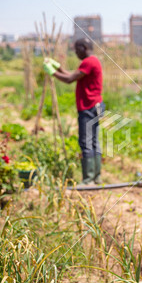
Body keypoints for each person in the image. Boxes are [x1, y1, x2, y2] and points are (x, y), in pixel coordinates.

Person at [43, 37, 104, 185]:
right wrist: (57, 68)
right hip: (95, 105)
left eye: (77, 50)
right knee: (93, 141)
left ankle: (88, 179)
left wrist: (52, 72)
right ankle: (96, 177)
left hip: (88, 107)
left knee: (86, 142)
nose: (76, 53)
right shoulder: (92, 61)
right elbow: (74, 75)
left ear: (84, 47)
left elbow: (70, 79)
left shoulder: (89, 62)